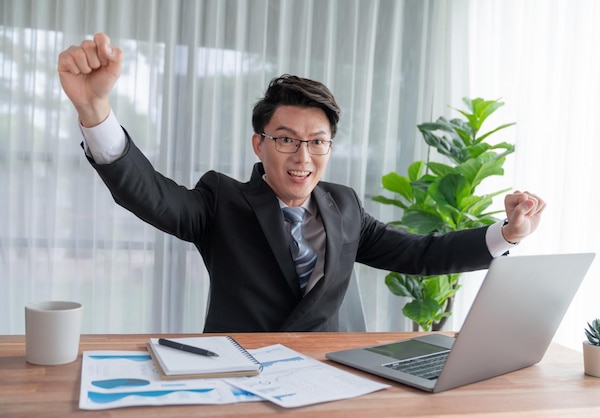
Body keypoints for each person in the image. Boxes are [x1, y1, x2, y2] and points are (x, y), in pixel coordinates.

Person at [58, 33, 546, 332]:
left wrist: (506, 234)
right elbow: (151, 195)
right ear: (260, 145)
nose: (303, 157)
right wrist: (94, 111)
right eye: (287, 140)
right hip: (241, 374)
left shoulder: (345, 206)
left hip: (329, 376)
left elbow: (420, 254)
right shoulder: (222, 201)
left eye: (318, 142)